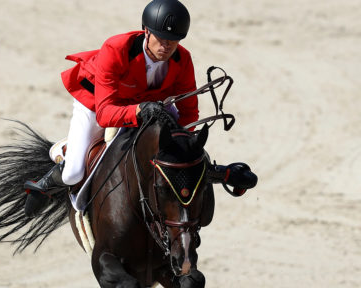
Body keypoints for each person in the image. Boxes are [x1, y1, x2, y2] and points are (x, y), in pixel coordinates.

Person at [24, 0, 256, 216]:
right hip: (99, 102)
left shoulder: (182, 59)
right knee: (73, 173)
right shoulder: (116, 48)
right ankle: (61, 157)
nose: (166, 46)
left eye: (173, 41)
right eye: (161, 38)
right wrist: (139, 110)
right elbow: (106, 114)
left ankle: (218, 172)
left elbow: (188, 112)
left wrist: (186, 150)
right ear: (146, 31)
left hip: (153, 106)